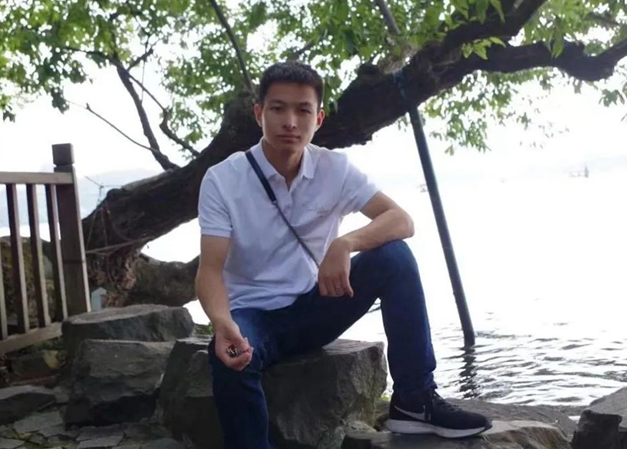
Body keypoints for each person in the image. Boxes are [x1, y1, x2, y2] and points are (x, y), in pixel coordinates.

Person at [195, 61, 491, 448]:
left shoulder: (333, 168)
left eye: (303, 110)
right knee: (230, 356)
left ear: (318, 118)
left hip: (317, 306)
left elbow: (401, 219)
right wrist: (222, 323)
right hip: (253, 317)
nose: (290, 122)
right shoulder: (223, 179)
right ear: (258, 113)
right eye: (278, 108)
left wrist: (345, 244)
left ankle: (414, 401)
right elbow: (210, 270)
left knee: (395, 257)